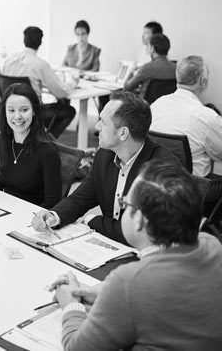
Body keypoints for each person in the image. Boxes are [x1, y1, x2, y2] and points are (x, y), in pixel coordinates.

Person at [49, 161, 222, 351]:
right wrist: (104, 292)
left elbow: (77, 348)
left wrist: (70, 305)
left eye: (125, 204)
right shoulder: (211, 245)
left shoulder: (129, 281)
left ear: (139, 219)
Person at [32, 91, 176, 244]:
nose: (96, 126)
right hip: (110, 244)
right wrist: (53, 216)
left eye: (103, 122)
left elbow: (140, 233)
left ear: (123, 133)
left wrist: (92, 220)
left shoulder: (162, 170)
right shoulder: (105, 154)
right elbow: (81, 198)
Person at [0, 83, 61, 209]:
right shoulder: (0, 141)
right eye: (11, 110)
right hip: (5, 211)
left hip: (33, 215)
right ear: (5, 112)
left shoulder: (47, 151)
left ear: (34, 111)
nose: (17, 116)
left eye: (24, 110)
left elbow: (52, 202)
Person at [151, 55, 222, 177]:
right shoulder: (207, 117)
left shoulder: (156, 105)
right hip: (194, 185)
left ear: (178, 77)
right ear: (203, 81)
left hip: (157, 181)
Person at [3, 26, 76, 139]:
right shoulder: (40, 64)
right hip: (32, 113)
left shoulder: (9, 60)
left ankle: (36, 136)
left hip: (10, 110)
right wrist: (73, 82)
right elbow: (61, 92)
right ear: (40, 42)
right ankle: (46, 141)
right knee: (69, 111)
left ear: (24, 40)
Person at [124, 33, 176, 100]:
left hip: (146, 105)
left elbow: (127, 88)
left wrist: (131, 71)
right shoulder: (176, 68)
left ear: (152, 48)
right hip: (166, 104)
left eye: (148, 46)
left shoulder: (147, 68)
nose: (146, 49)